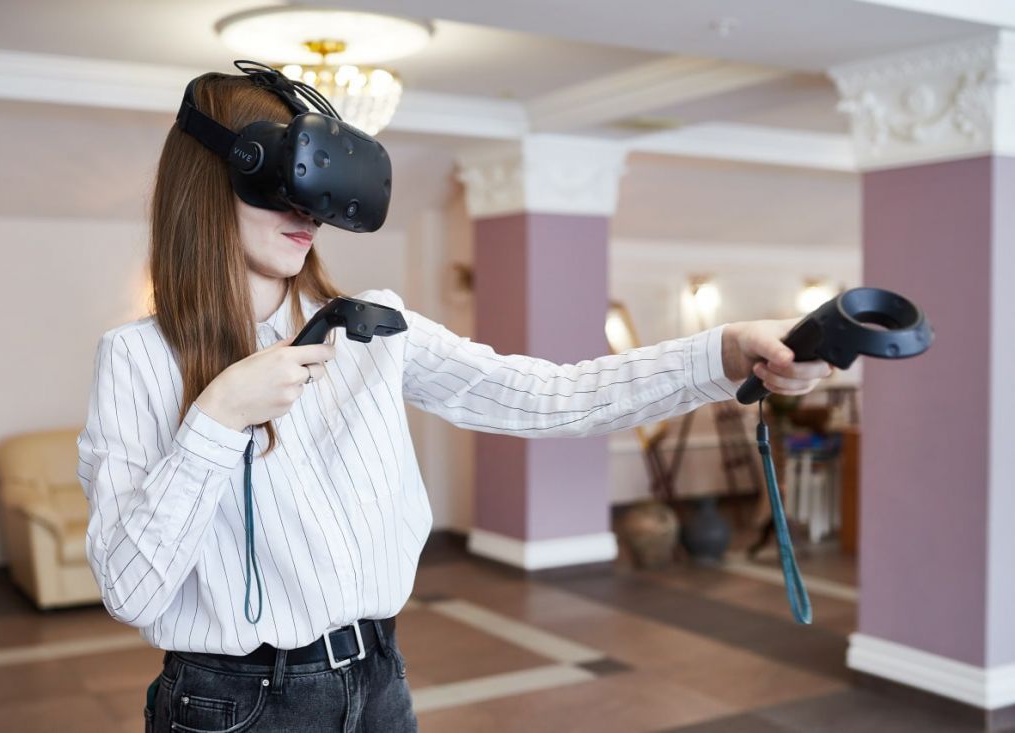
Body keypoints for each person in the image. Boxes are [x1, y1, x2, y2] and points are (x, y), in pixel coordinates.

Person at [76, 71, 833, 733]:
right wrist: (215, 419)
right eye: (282, 182)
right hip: (231, 703)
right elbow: (130, 590)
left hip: (378, 679)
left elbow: (551, 395)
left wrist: (720, 352)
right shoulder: (139, 359)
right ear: (217, 178)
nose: (308, 211)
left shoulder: (372, 328)